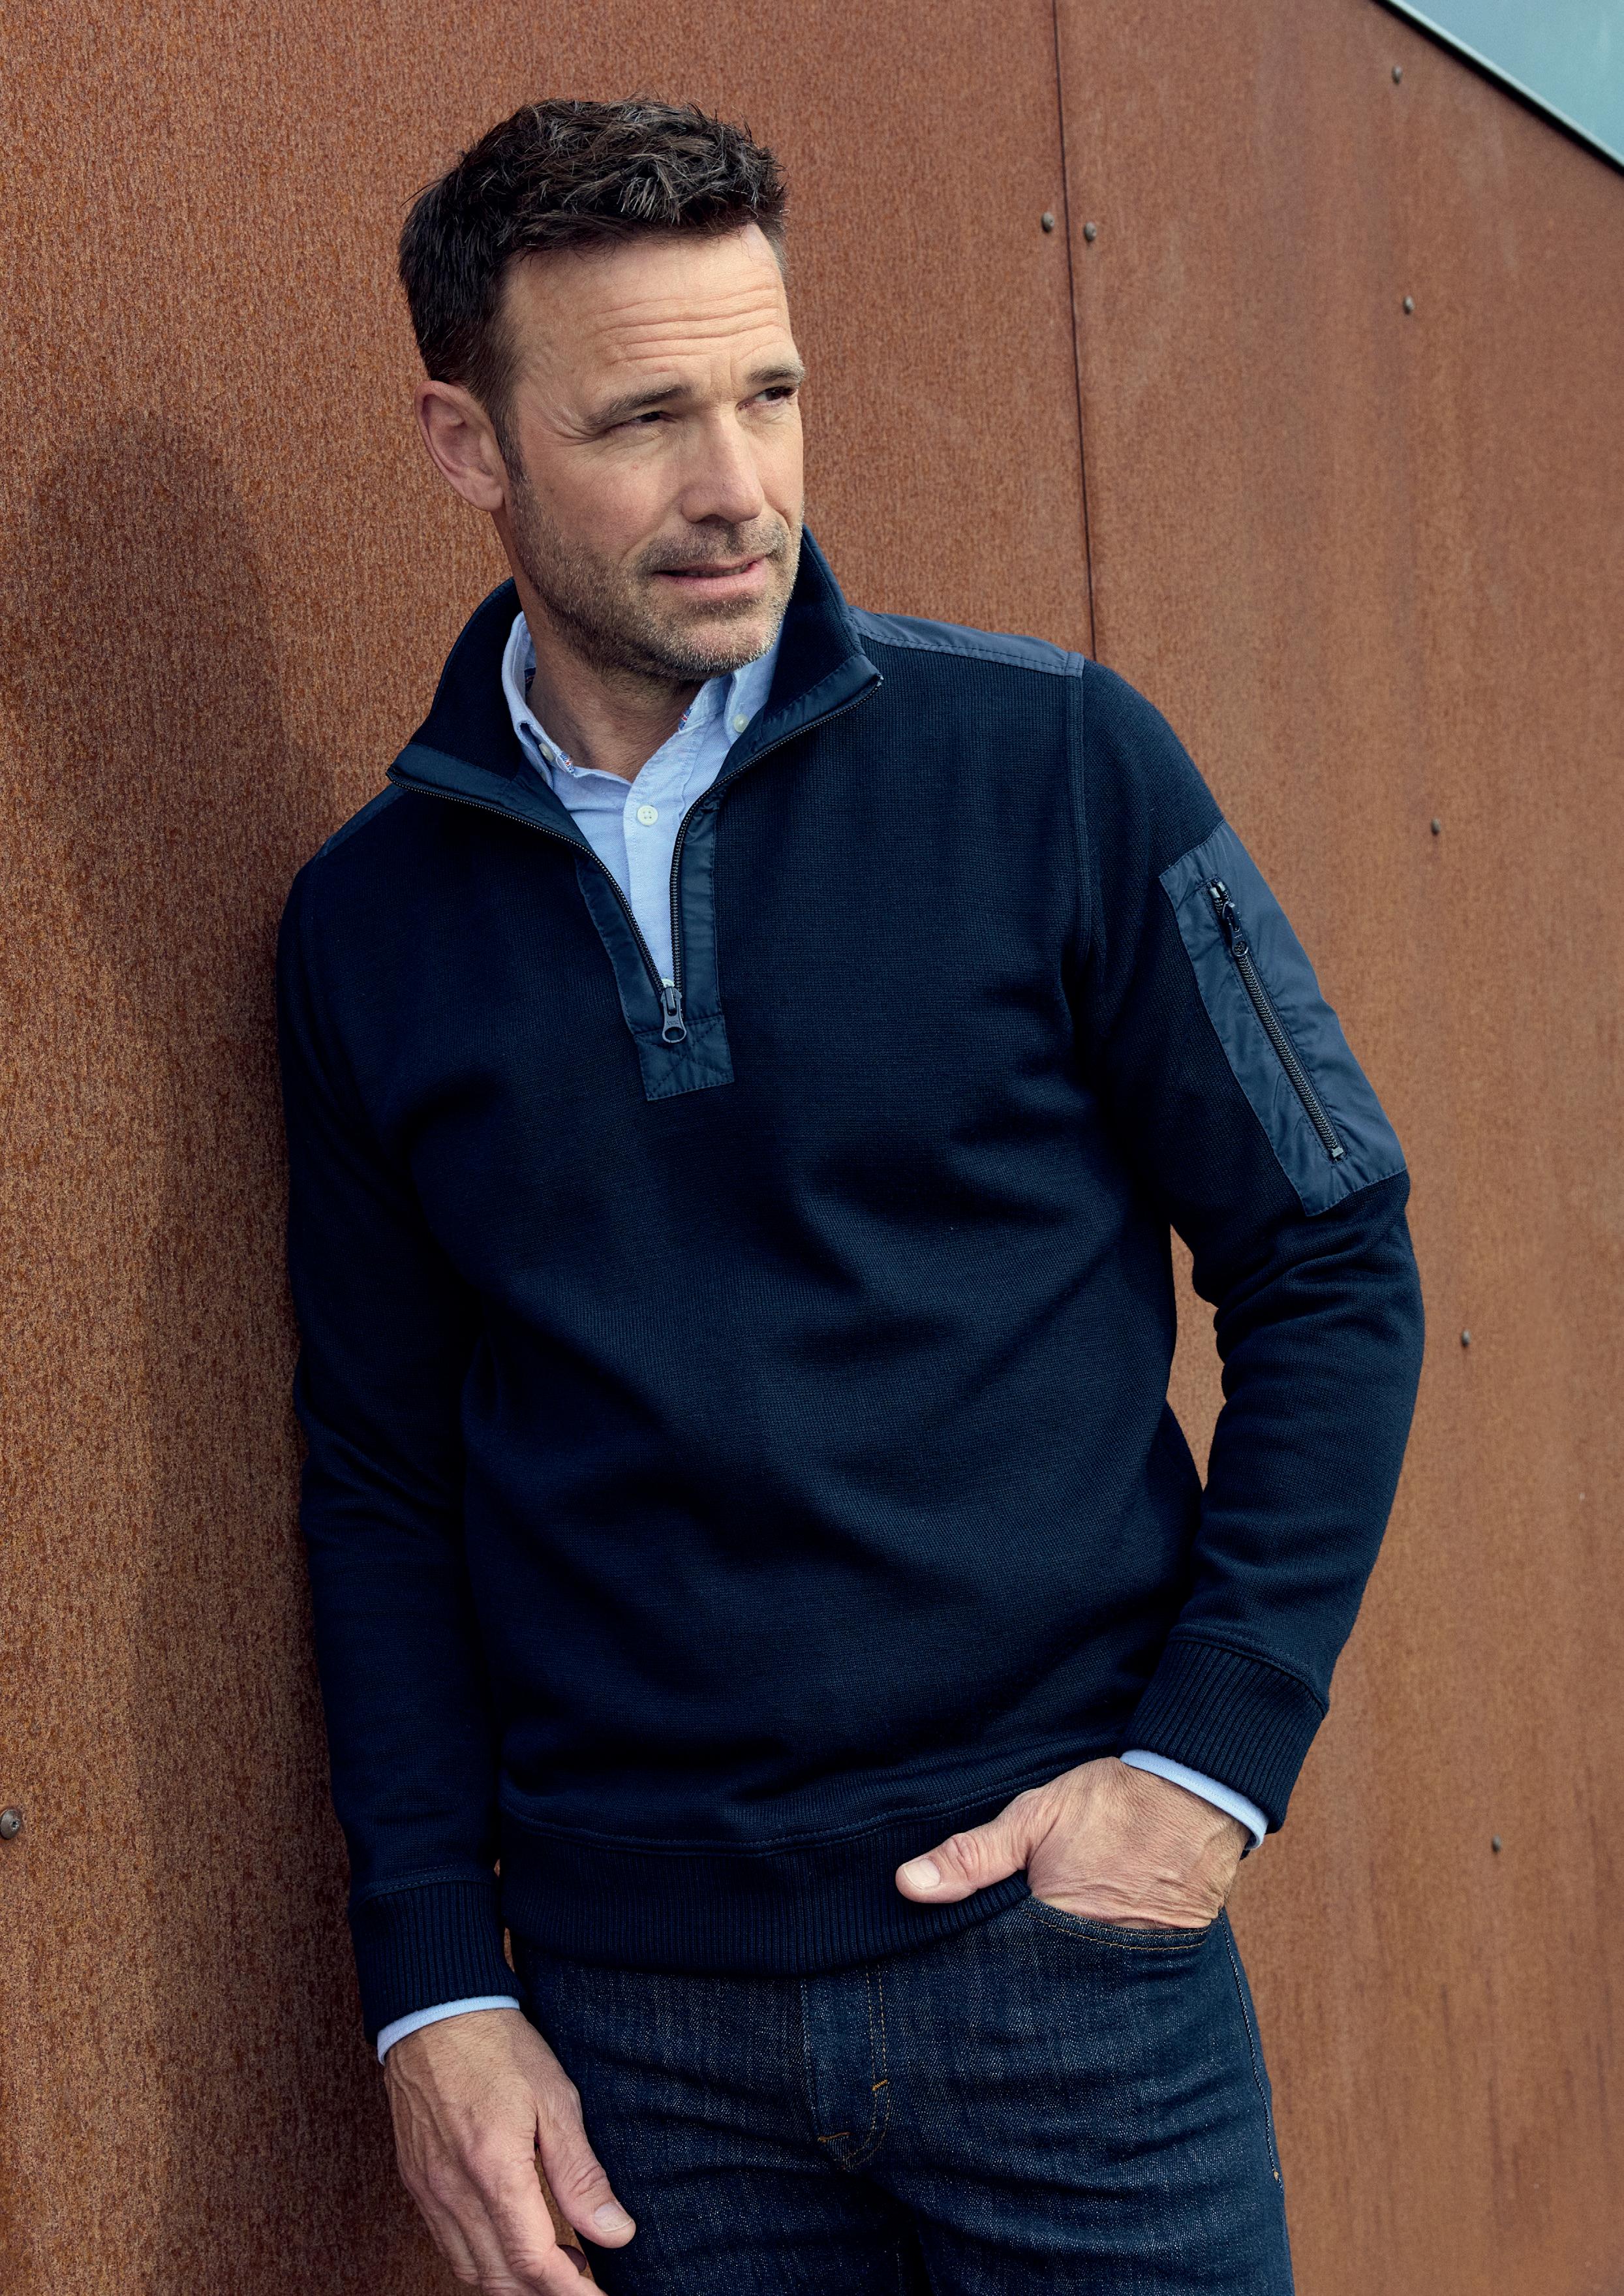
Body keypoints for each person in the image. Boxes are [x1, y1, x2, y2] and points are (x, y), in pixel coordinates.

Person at [277, 97, 1423, 2296]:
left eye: (768, 393)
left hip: (1064, 1977)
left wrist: (1200, 1775)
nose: (736, 484)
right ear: (465, 443)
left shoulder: (1055, 764)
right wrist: (434, 1987)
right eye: (643, 419)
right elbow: (381, 1474)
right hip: (634, 2051)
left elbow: (1331, 1255)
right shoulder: (366, 926)